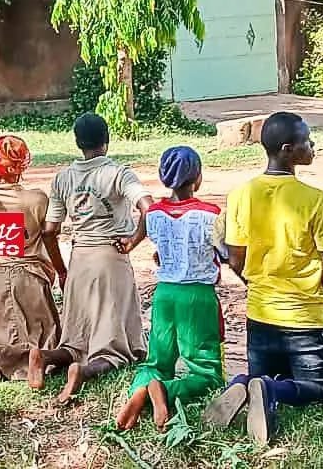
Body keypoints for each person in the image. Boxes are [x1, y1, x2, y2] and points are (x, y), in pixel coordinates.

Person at [202, 112, 323, 446]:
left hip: (260, 316)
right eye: (306, 141)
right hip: (306, 320)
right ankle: (269, 389)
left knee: (264, 376)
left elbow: (236, 259)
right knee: (322, 390)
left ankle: (245, 384)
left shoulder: (241, 195)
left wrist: (256, 284)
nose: (312, 145)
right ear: (287, 150)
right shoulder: (315, 200)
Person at [26, 112, 153, 403]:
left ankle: (45, 357)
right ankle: (83, 372)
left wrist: (62, 271)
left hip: (79, 259)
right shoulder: (118, 173)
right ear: (106, 141)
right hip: (111, 259)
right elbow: (149, 207)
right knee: (113, 348)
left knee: (76, 338)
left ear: (77, 142)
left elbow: (49, 231)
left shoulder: (63, 178)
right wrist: (134, 240)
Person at [115, 146, 225, 431]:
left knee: (156, 362)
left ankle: (140, 390)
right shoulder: (210, 214)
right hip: (197, 296)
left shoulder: (153, 214)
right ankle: (166, 391)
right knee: (207, 372)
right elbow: (225, 252)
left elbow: (159, 250)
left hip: (165, 294)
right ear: (197, 178)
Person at [0, 135, 63, 381]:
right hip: (32, 280)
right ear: (24, 164)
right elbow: (50, 236)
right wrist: (61, 271)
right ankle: (21, 362)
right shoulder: (38, 199)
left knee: (4, 335)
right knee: (46, 339)